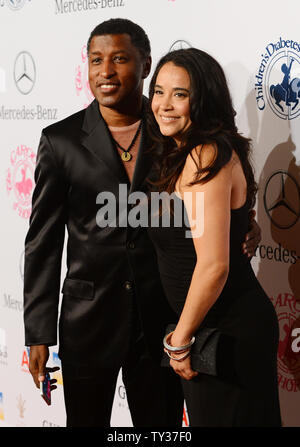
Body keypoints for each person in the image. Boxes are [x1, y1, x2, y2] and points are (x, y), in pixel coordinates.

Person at [23, 19, 261, 427]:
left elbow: (218, 188)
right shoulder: (59, 141)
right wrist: (38, 333)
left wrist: (246, 225)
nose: (105, 72)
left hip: (161, 320)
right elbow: (42, 243)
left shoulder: (171, 132)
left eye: (119, 59)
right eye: (96, 60)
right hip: (88, 322)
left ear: (145, 64)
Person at [146, 48, 281, 426]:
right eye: (159, 91)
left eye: (180, 94)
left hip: (227, 332)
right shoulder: (187, 152)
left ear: (203, 98)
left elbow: (213, 266)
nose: (164, 105)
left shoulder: (205, 155)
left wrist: (180, 340)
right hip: (213, 329)